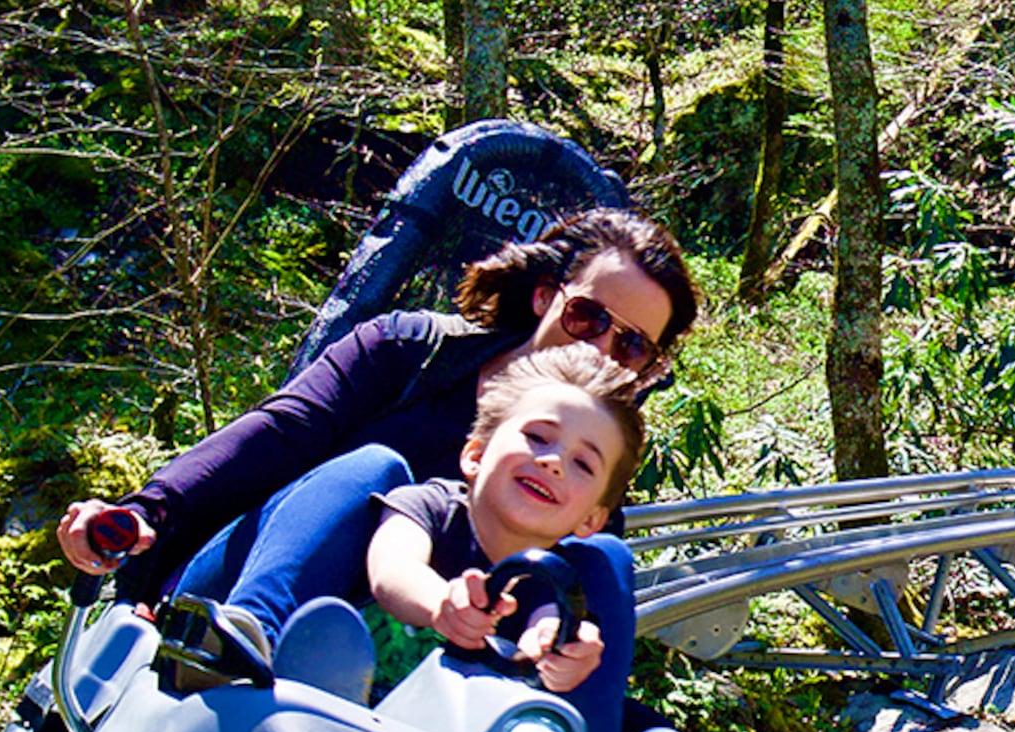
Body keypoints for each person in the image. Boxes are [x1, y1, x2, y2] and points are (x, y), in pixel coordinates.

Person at [56, 205, 698, 633]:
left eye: (631, 343)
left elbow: (564, 604)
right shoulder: (406, 353)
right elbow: (278, 434)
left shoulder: (588, 484)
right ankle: (241, 636)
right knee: (375, 470)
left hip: (406, 667)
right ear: (544, 297)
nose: (599, 348)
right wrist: (149, 511)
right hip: (250, 589)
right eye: (587, 316)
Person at [362, 345, 646, 683]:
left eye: (583, 464)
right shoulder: (430, 506)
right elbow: (393, 570)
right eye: (537, 437)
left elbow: (549, 618)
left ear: (591, 520)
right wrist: (442, 604)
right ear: (476, 455)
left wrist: (558, 647)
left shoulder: (554, 573)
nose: (553, 462)